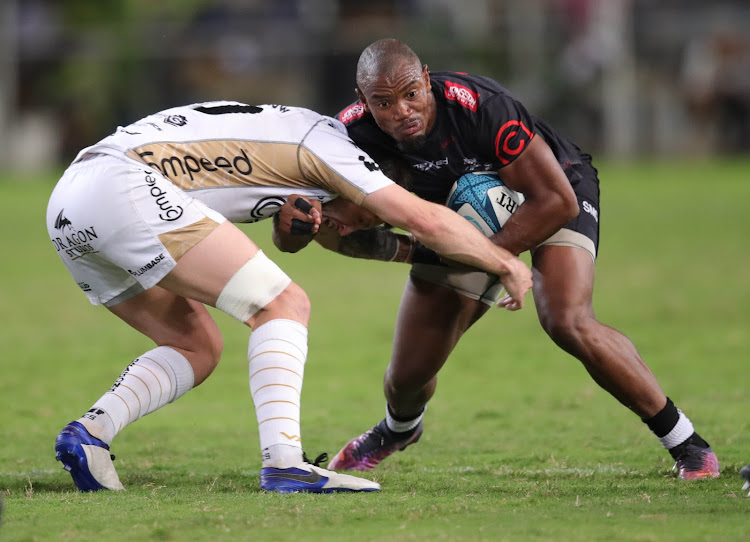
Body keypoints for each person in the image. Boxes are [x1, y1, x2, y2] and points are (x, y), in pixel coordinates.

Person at [277, 39, 720, 480]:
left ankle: (688, 445)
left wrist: (493, 257)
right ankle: (399, 429)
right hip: (455, 222)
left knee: (567, 319)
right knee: (406, 377)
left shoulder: (480, 108)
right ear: (363, 101)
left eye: (411, 93)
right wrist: (294, 231)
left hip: (550, 191)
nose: (403, 110)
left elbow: (555, 201)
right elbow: (319, 233)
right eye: (384, 102)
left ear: (427, 80)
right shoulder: (344, 137)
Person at [47, 100, 532, 494]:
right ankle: (285, 464)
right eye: (371, 213)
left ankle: (91, 433)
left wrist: (414, 254)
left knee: (196, 346)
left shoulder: (299, 145)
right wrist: (505, 261)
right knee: (283, 304)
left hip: (70, 201)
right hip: (123, 186)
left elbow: (313, 232)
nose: (362, 224)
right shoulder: (339, 152)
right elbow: (423, 219)